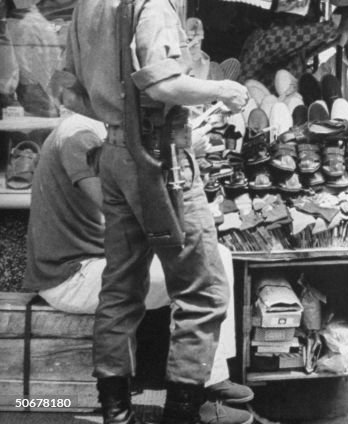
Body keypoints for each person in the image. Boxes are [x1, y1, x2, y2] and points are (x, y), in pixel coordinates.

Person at [59, 0, 250, 424]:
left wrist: (114, 115)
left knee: (120, 287)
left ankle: (115, 412)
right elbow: (164, 82)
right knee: (205, 288)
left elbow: (67, 91)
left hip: (116, 154)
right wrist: (224, 92)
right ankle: (180, 414)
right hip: (159, 156)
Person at [22, 114, 251, 424]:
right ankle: (204, 388)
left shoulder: (91, 132)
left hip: (88, 261)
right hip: (71, 274)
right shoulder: (79, 137)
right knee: (208, 271)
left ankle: (211, 376)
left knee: (212, 258)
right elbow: (117, 209)